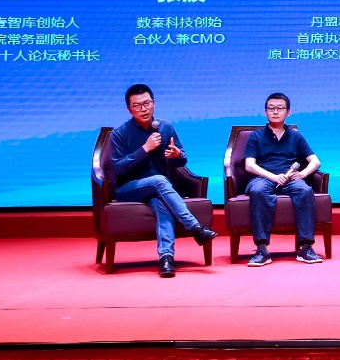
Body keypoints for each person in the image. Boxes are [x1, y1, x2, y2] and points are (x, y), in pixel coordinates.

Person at [108, 84, 217, 277]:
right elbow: (117, 168)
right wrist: (144, 149)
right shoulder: (120, 133)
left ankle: (166, 258)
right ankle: (195, 227)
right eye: (137, 106)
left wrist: (176, 155)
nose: (143, 109)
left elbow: (183, 159)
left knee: (162, 206)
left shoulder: (165, 127)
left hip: (158, 190)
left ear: (154, 104)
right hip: (129, 189)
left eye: (147, 103)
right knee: (159, 180)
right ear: (129, 109)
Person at [242, 92, 324, 266]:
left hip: (289, 179)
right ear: (265, 112)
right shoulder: (256, 136)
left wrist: (302, 174)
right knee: (258, 190)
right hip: (263, 178)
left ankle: (306, 247)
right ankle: (262, 250)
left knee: (305, 190)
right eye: (271, 108)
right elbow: (249, 165)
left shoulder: (296, 136)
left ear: (288, 112)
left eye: (280, 108)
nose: (275, 112)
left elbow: (315, 161)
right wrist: (272, 177)